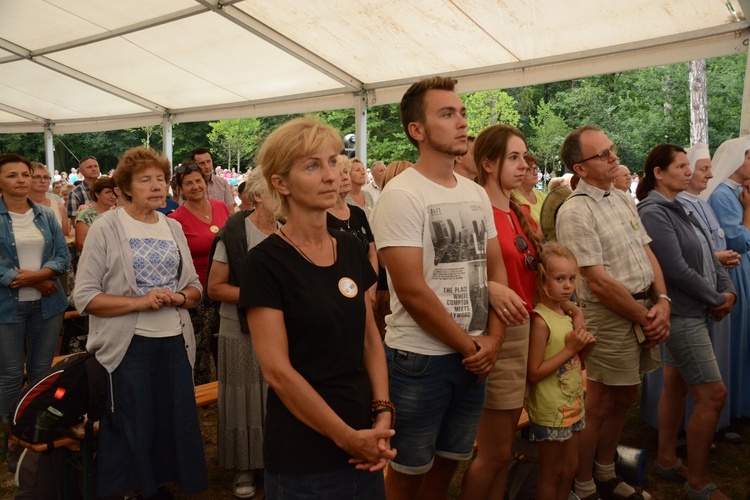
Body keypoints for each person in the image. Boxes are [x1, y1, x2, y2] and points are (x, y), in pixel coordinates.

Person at [239, 118, 395, 499]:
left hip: (366, 437)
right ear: (281, 183)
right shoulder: (265, 262)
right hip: (305, 455)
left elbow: (370, 339)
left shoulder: (350, 247)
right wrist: (346, 437)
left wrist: (383, 413)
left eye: (332, 161)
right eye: (312, 166)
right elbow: (277, 371)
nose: (331, 176)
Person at [370, 77, 506, 500]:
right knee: (408, 471)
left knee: (450, 460)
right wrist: (472, 348)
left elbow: (495, 272)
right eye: (447, 114)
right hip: (421, 358)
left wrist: (494, 341)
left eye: (462, 113)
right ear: (418, 130)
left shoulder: (475, 193)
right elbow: (409, 290)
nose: (462, 122)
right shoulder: (402, 194)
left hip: (475, 353)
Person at [73, 147, 208, 498]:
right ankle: (133, 489)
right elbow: (84, 297)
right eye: (145, 179)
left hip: (175, 341)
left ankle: (160, 484)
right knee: (134, 421)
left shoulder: (173, 226)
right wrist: (139, 302)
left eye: (161, 179)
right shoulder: (105, 228)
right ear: (125, 187)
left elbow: (194, 287)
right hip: (127, 345)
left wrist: (177, 298)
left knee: (171, 419)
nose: (156, 186)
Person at [461, 125, 583, 499]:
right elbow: (457, 275)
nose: (523, 164)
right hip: (498, 332)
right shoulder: (478, 210)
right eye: (512, 157)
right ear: (487, 163)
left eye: (524, 156)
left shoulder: (515, 210)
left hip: (525, 329)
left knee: (503, 451)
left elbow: (533, 272)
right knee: (494, 453)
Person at [556, 126, 670, 500]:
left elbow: (646, 251)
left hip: (641, 307)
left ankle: (605, 472)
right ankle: (584, 483)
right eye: (602, 154)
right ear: (581, 168)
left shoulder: (620, 197)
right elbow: (597, 281)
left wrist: (663, 302)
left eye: (611, 149)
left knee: (624, 398)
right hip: (611, 313)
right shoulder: (574, 210)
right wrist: (645, 317)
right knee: (601, 403)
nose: (613, 157)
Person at [636, 144, 735, 500]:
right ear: (658, 173)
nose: (689, 171)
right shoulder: (653, 212)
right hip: (682, 314)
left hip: (695, 309)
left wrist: (727, 292)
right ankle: (698, 482)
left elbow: (708, 253)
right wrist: (715, 299)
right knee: (713, 395)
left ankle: (665, 459)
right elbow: (675, 269)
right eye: (681, 166)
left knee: (676, 384)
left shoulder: (679, 208)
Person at [208, 168, 277, 499]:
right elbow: (215, 288)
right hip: (239, 328)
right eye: (278, 193)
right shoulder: (235, 232)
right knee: (242, 400)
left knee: (276, 398)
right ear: (259, 196)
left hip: (283, 329)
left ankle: (276, 462)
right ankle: (244, 468)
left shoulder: (291, 230)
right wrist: (262, 294)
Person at [0, 153, 69, 471]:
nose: (21, 180)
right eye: (12, 175)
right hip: (7, 307)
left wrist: (38, 279)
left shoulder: (45, 214)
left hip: (48, 305)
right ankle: (13, 437)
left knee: (41, 372)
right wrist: (28, 280)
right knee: (11, 375)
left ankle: (37, 430)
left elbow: (61, 256)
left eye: (25, 174)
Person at [526, 243, 595, 500]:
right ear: (543, 281)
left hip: (573, 404)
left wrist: (584, 347)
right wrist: (570, 349)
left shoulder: (565, 314)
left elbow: (574, 362)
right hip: (550, 411)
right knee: (552, 471)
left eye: (572, 278)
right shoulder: (540, 321)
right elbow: (534, 372)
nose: (568, 285)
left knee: (570, 468)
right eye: (559, 279)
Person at [169, 161, 231, 385]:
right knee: (200, 344)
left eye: (198, 180)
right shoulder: (175, 219)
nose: (195, 186)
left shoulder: (221, 207)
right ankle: (199, 391)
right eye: (188, 183)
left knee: (225, 342)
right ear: (180, 189)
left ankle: (227, 387)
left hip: (226, 288)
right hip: (200, 291)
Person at [704, 136, 750, 420]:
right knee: (738, 337)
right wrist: (748, 214)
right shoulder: (722, 195)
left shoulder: (738, 191)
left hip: (743, 269)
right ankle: (735, 405)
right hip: (737, 271)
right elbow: (739, 239)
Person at [327, 155, 378, 288]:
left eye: (345, 172)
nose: (345, 177)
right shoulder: (321, 218)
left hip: (366, 287)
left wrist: (371, 288)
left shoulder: (358, 213)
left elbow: (372, 253)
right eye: (339, 174)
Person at [73, 176, 117, 253]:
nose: (112, 196)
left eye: (114, 192)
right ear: (97, 194)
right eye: (108, 192)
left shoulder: (116, 213)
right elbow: (81, 244)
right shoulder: (85, 215)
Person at [28, 162, 70, 236]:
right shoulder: (19, 206)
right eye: (37, 177)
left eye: (46, 177)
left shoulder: (59, 207)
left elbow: (64, 237)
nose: (43, 181)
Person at [512, 154, 547, 226]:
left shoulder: (541, 195)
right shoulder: (512, 198)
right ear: (519, 173)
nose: (535, 173)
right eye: (529, 170)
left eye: (535, 168)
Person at [66, 155, 100, 225]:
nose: (94, 169)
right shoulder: (75, 193)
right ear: (81, 171)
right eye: (89, 167)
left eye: (95, 166)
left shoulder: (110, 187)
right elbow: (75, 223)